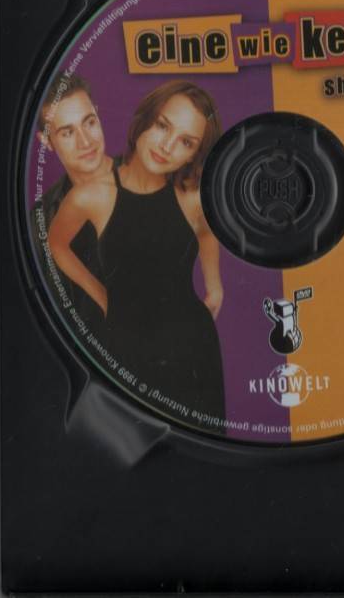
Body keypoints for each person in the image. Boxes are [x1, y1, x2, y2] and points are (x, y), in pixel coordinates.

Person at [48, 80, 226, 428]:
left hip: (192, 350)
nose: (167, 146)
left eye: (186, 142)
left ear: (193, 154)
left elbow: (207, 233)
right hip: (124, 346)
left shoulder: (192, 198)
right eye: (163, 126)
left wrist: (215, 286)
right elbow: (57, 244)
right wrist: (100, 294)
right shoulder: (92, 195)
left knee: (203, 451)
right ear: (145, 119)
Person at [31, 73, 112, 328]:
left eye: (89, 122)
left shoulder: (149, 185)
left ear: (97, 114)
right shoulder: (40, 220)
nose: (85, 141)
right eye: (67, 132)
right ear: (46, 141)